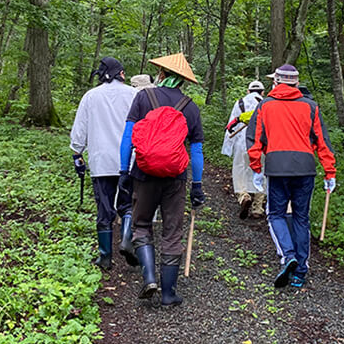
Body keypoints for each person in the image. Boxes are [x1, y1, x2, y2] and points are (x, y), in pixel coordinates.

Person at [119, 52, 205, 306]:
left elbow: (128, 137)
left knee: (142, 224)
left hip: (144, 174)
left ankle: (149, 278)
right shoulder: (190, 107)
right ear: (182, 81)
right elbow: (197, 151)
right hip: (175, 177)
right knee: (172, 230)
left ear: (162, 74)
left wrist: (124, 171)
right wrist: (197, 185)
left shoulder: (144, 97)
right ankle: (168, 293)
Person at [247, 64, 336, 289]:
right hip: (305, 168)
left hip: (277, 168)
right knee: (301, 218)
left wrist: (256, 167)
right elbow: (322, 141)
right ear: (296, 83)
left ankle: (288, 256)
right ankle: (300, 273)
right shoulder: (311, 107)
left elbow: (255, 139)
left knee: (276, 214)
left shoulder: (265, 106)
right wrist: (329, 171)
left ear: (275, 82)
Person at [70, 56, 138, 271]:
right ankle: (127, 239)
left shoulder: (91, 96)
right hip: (129, 160)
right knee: (127, 204)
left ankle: (105, 257)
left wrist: (77, 152)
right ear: (120, 73)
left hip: (101, 161)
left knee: (104, 208)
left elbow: (80, 129)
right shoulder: (134, 94)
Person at [222, 80, 266, 219]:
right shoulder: (267, 104)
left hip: (242, 143)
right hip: (260, 144)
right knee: (260, 172)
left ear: (248, 91)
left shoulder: (240, 103)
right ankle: (257, 208)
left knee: (240, 171)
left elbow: (231, 125)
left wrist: (228, 148)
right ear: (262, 92)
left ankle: (244, 196)